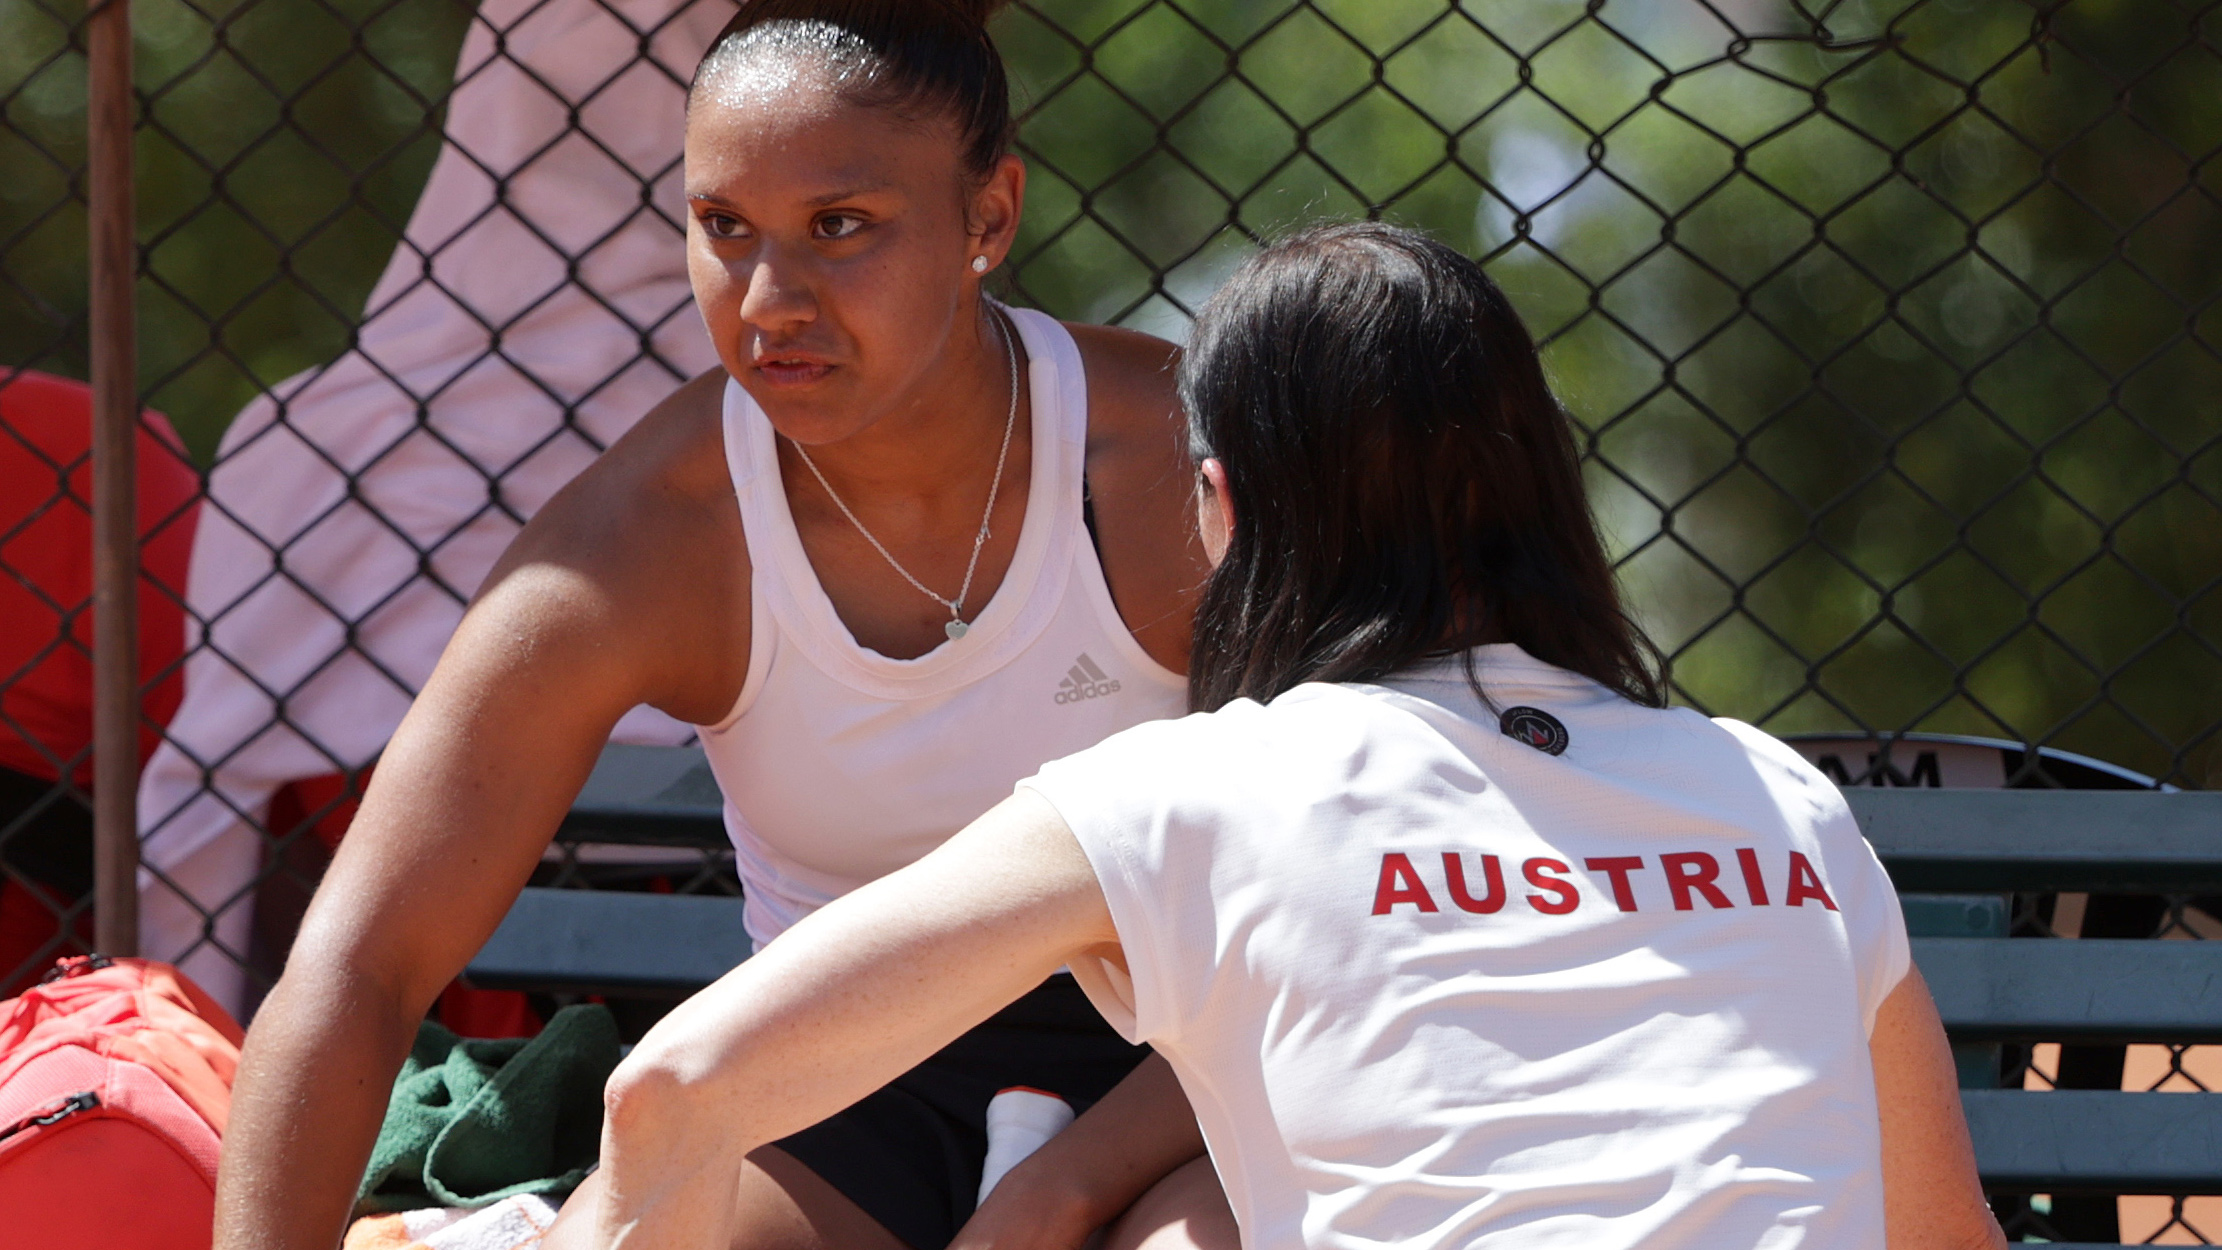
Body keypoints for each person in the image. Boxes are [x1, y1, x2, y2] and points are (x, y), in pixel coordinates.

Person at [543, 223, 2008, 1250]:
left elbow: (675, 1085)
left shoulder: (1194, 796)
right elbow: (1942, 1234)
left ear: (1223, 502)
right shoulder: (1774, 791)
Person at [213, 3, 1235, 1249]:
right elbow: (358, 963)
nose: (770, 298)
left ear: (988, 215)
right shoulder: (657, 530)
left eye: (839, 226)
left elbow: (1356, 877)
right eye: (724, 227)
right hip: (844, 1080)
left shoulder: (1170, 467)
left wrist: (1056, 1190)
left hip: (1189, 1062)